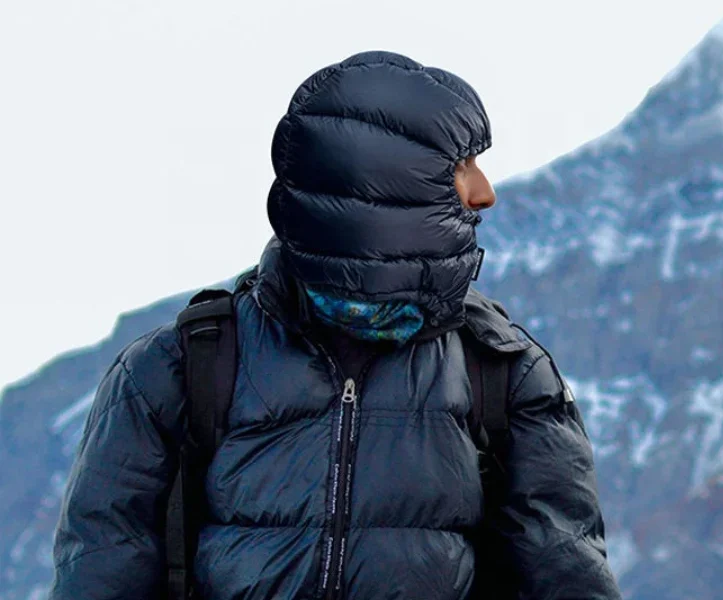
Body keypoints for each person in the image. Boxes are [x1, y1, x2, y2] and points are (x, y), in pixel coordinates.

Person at [49, 51, 622, 599]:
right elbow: (101, 574)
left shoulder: (504, 372)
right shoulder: (178, 368)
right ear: (378, 193)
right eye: (460, 166)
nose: (484, 193)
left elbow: (567, 577)